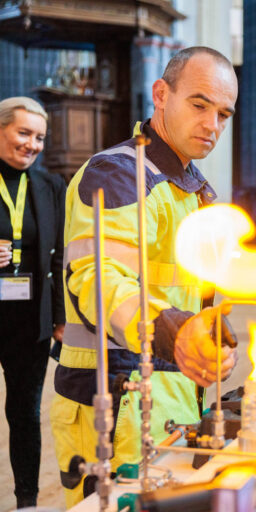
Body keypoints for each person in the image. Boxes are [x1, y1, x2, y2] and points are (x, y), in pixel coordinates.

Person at [50, 46, 239, 506]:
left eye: (224, 114)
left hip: (167, 400)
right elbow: (100, 278)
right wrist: (173, 328)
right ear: (160, 94)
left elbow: (181, 291)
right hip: (116, 403)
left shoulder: (187, 187)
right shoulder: (119, 174)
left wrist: (208, 333)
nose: (212, 125)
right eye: (199, 105)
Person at [0, 96, 65, 508]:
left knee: (25, 413)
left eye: (39, 137)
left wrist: (59, 319)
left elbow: (60, 259)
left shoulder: (50, 186)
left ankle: (27, 500)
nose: (32, 144)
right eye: (23, 133)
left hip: (29, 321)